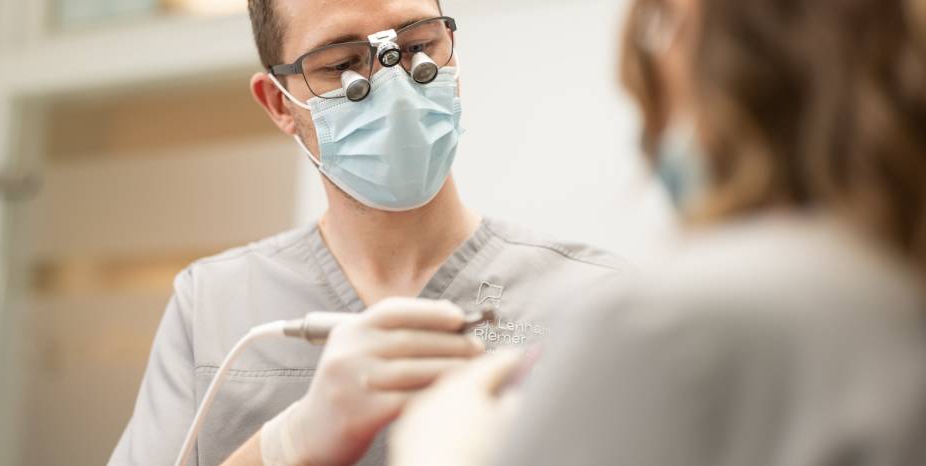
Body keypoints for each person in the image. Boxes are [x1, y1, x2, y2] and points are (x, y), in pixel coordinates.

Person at [389, 0, 926, 464]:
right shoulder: (893, 281)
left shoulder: (661, 315)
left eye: (663, 25)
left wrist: (441, 451)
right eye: (347, 63)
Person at [108, 0, 625, 465]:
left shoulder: (594, 299)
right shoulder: (212, 308)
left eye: (418, 47)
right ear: (279, 103)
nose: (394, 87)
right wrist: (285, 446)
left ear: (453, 51)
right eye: (340, 65)